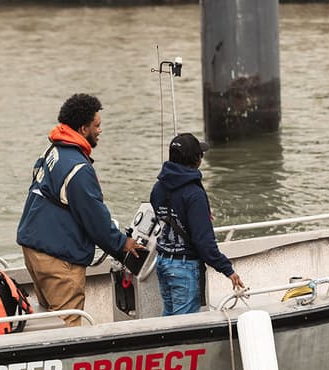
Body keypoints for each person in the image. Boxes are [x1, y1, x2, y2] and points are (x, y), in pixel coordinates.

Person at [17, 93, 144, 327]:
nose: (100, 130)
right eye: (97, 125)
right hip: (57, 258)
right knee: (67, 325)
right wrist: (122, 243)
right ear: (83, 128)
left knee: (50, 319)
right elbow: (94, 217)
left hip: (34, 248)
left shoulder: (54, 151)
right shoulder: (78, 168)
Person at [149, 132, 245, 315]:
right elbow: (204, 243)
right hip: (184, 268)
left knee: (169, 320)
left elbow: (163, 214)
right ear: (196, 160)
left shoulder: (158, 187)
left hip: (163, 261)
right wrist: (228, 270)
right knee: (182, 329)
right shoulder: (194, 194)